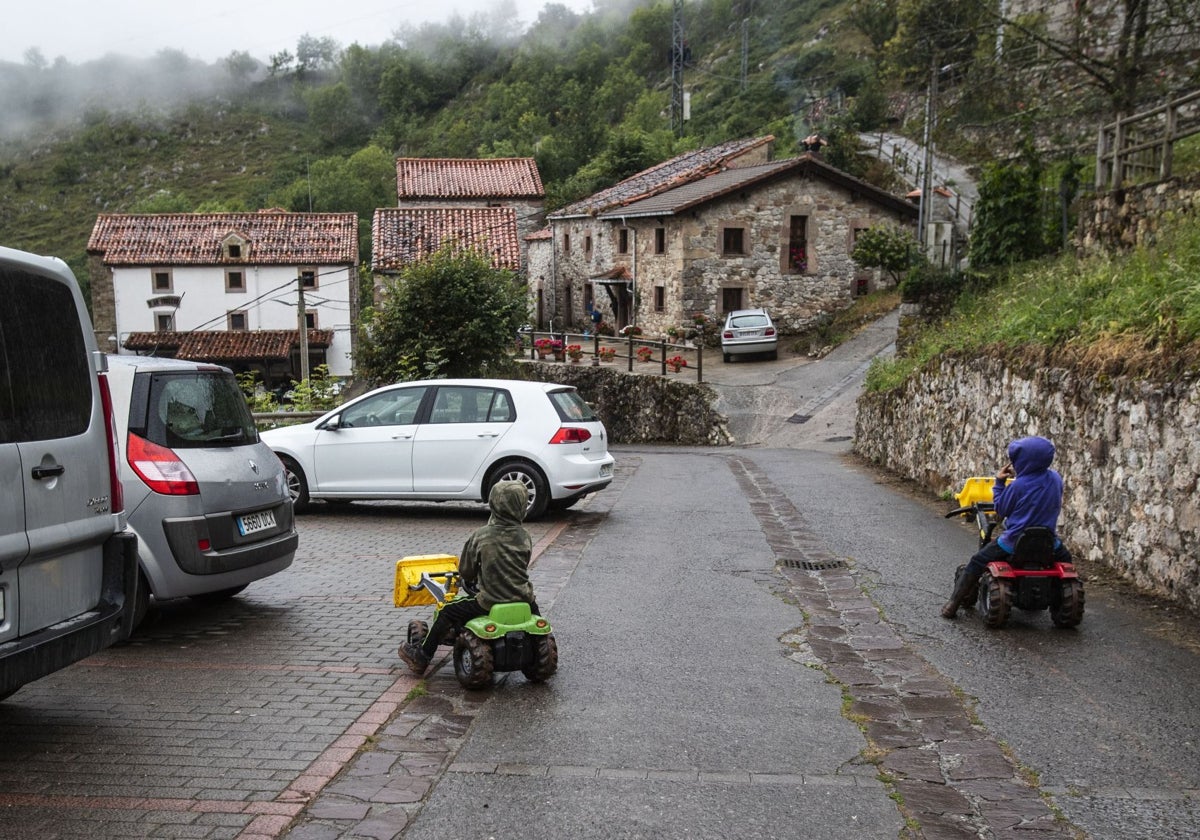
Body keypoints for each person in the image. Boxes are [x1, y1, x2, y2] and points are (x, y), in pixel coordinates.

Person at [398, 480, 540, 674]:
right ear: (522, 506)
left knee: (448, 611)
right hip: (525, 598)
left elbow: (466, 571)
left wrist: (474, 576)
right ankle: (540, 657)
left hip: (490, 601)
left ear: (494, 503)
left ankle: (421, 656)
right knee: (539, 626)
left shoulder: (481, 536)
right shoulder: (524, 536)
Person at [941, 435, 1073, 619]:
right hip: (1048, 541)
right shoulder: (1056, 479)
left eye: (1016, 460)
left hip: (1014, 542)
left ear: (1024, 462)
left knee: (977, 561)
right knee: (1067, 561)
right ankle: (1058, 595)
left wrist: (1000, 484)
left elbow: (1001, 509)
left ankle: (953, 604)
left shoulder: (1018, 486)